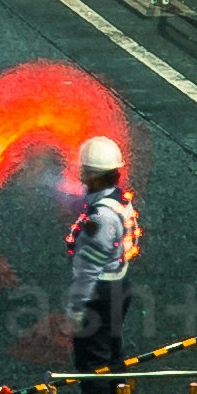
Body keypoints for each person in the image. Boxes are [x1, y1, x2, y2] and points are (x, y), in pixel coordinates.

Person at [64, 131, 140, 372]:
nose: (82, 176)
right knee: (112, 351)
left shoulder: (100, 219)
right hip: (119, 284)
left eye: (85, 171)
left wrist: (76, 308)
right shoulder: (120, 201)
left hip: (100, 293)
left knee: (93, 360)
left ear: (94, 175)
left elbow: (89, 269)